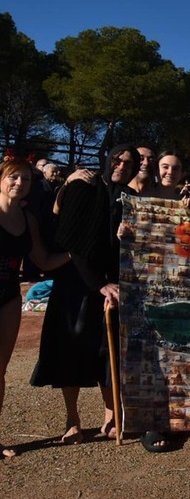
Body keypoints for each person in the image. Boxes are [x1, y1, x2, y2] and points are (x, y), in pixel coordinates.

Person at [31, 144, 142, 446]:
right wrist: (96, 284)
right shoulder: (84, 184)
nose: (121, 166)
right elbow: (70, 239)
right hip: (77, 281)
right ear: (107, 159)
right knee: (71, 347)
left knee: (108, 352)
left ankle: (110, 415)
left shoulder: (128, 198)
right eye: (117, 160)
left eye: (128, 163)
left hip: (109, 281)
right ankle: (72, 419)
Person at [0, 159, 71, 457]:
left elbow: (42, 260)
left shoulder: (27, 219)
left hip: (8, 297)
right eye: (13, 177)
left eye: (26, 180)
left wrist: (76, 252)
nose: (19, 183)